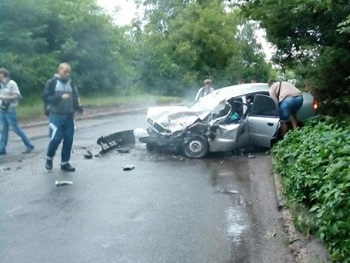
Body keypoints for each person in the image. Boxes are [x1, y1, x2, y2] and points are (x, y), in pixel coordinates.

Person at [43, 63, 83, 172]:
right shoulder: (52, 82)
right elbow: (46, 97)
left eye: (69, 72)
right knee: (56, 139)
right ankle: (49, 157)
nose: (67, 74)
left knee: (69, 139)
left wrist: (79, 108)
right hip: (56, 116)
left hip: (69, 116)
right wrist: (60, 97)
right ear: (59, 70)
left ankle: (65, 163)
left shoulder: (71, 83)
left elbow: (75, 97)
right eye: (65, 71)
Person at [0, 68, 34, 155]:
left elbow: (18, 96)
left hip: (10, 109)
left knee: (15, 128)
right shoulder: (1, 85)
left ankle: (29, 144)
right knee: (4, 129)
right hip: (2, 109)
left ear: (3, 74)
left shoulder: (12, 83)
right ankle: (2, 148)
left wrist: (5, 98)